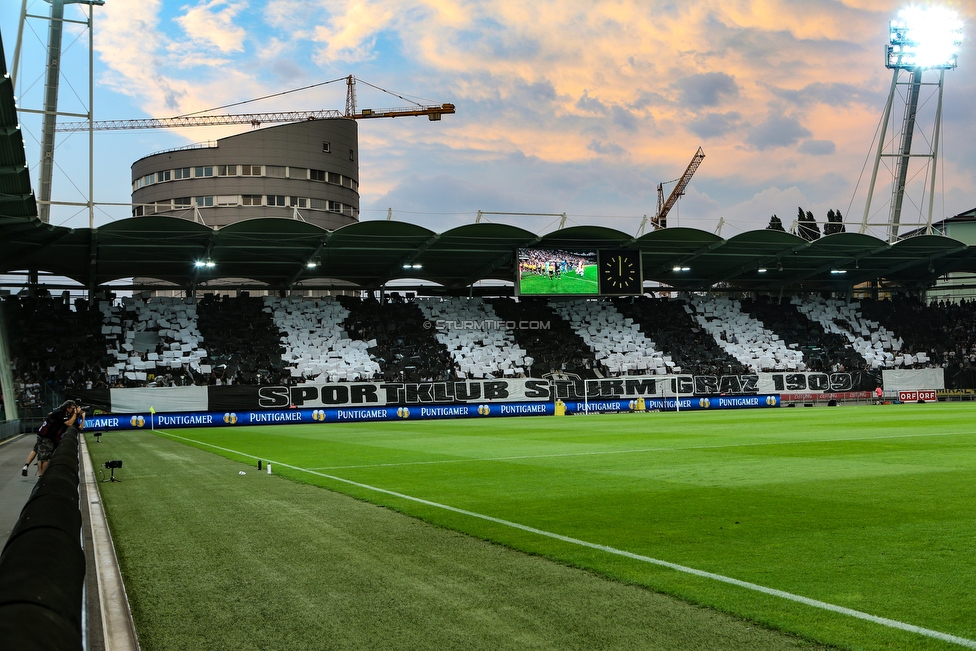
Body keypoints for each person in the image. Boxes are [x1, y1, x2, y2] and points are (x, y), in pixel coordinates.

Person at [35, 400, 84, 478]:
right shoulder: (60, 413)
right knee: (46, 458)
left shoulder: (62, 413)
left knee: (43, 456)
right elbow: (69, 423)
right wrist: (75, 413)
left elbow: (79, 427)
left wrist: (82, 416)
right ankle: (43, 478)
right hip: (46, 436)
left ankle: (41, 476)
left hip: (45, 435)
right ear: (67, 408)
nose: (73, 410)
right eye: (72, 408)